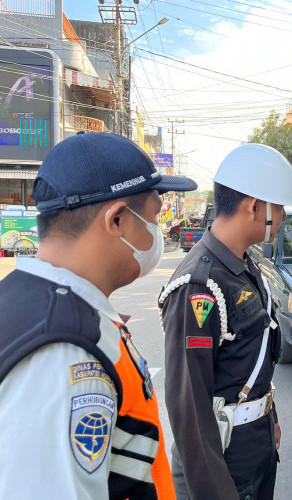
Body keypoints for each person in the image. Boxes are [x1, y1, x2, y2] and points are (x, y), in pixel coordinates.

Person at [0, 132, 197, 499]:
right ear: (118, 219)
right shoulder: (63, 354)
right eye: (154, 216)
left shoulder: (37, 303)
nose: (157, 230)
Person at [159, 143, 292, 500]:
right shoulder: (200, 285)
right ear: (254, 207)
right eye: (279, 207)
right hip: (223, 465)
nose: (282, 217)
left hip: (256, 448)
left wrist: (270, 417)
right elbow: (190, 410)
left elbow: (253, 359)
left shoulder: (245, 266)